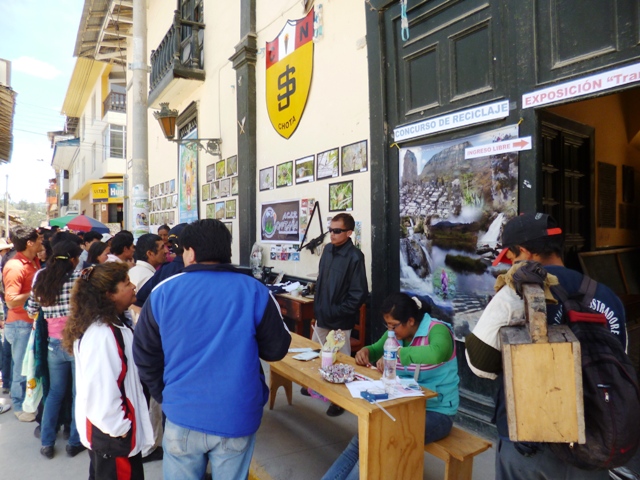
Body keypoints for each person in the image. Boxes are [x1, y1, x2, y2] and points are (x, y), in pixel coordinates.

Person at [465, 213, 627, 480]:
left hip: (531, 442)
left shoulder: (515, 290)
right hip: (594, 439)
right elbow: (621, 359)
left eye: (511, 256)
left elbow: (479, 363)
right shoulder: (608, 296)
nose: (511, 264)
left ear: (525, 251)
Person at [133, 219, 291, 480]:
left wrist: (165, 394)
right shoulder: (255, 291)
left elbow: (144, 354)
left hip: (182, 412)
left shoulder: (163, 292)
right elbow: (276, 349)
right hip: (237, 414)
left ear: (191, 252)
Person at [322, 292, 459, 480]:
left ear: (410, 321)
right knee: (361, 439)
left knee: (380, 440)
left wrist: (398, 353)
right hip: (403, 405)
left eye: (394, 325)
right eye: (387, 325)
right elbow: (376, 349)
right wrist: (365, 352)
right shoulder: (395, 333)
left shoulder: (438, 330)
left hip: (437, 412)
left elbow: (437, 353)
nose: (390, 330)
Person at [63, 263, 153, 479]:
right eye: (126, 284)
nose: (133, 287)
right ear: (109, 294)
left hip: (112, 438)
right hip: (114, 440)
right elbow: (102, 392)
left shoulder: (113, 324)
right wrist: (120, 429)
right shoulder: (103, 334)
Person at [25, 241, 86, 459]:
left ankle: (47, 442)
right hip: (77, 343)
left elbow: (31, 309)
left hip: (53, 344)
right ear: (73, 259)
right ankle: (74, 442)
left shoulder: (41, 277)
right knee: (79, 394)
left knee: (54, 393)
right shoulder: (79, 278)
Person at [309, 213, 368, 416]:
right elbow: (321, 280)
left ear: (349, 232)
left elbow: (359, 294)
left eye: (337, 231)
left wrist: (337, 312)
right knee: (316, 353)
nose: (332, 234)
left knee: (341, 361)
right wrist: (318, 308)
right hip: (323, 315)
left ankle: (339, 402)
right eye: (330, 230)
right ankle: (316, 387)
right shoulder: (327, 250)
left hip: (341, 320)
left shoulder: (355, 257)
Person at [3, 226, 42, 421]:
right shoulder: (15, 266)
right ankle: (19, 406)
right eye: (39, 239)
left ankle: (27, 402)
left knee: (28, 366)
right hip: (20, 324)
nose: (42, 241)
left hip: (30, 322)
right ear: (30, 243)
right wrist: (35, 293)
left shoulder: (34, 261)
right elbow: (11, 301)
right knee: (20, 367)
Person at [132, 223, 186, 308]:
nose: (166, 251)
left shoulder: (163, 272)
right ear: (150, 253)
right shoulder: (148, 276)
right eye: (162, 248)